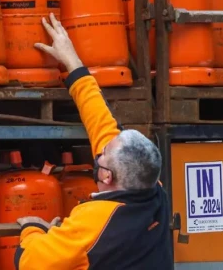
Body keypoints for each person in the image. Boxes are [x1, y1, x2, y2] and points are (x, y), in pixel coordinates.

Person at [14, 14, 173, 270]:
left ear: (107, 176)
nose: (99, 152)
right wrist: (71, 61)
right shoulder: (155, 194)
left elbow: (30, 263)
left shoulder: (95, 222)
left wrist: (32, 229)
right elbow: (100, 120)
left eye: (104, 154)